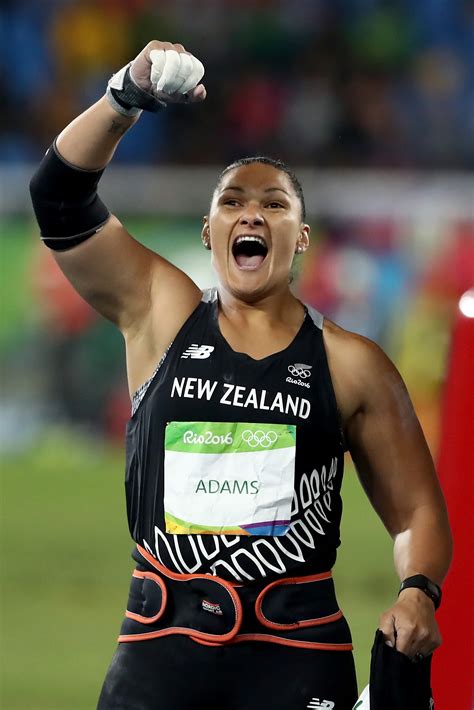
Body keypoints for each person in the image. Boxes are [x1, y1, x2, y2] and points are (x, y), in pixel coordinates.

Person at [29, 40, 452, 710]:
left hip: (296, 656)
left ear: (301, 236)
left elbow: (418, 512)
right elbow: (57, 196)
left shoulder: (350, 363)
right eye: (232, 200)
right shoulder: (159, 311)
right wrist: (124, 95)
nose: (251, 211)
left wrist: (416, 591)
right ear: (208, 231)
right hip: (159, 648)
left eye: (274, 204)